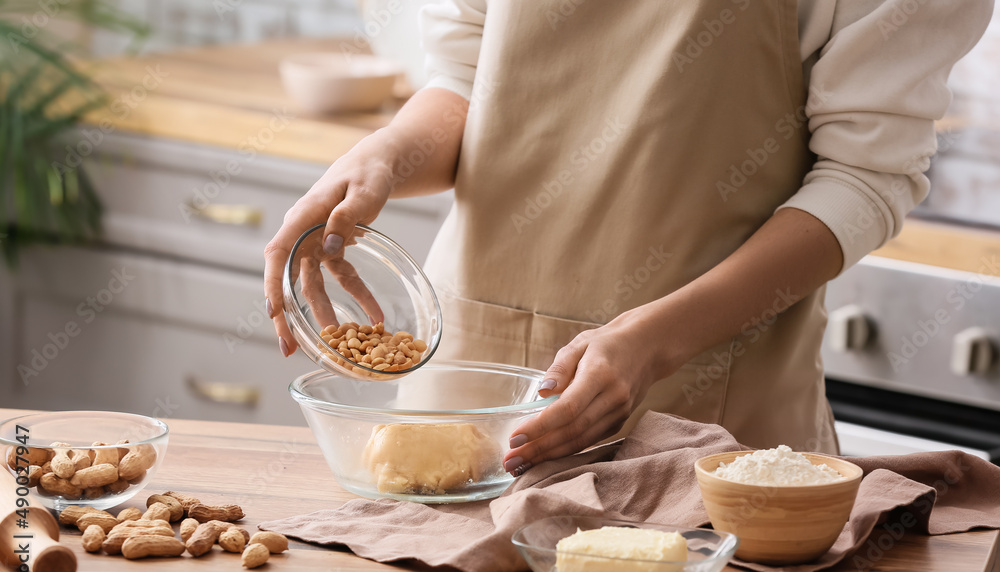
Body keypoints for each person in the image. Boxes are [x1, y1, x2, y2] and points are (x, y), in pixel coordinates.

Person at [265, 0, 992, 477]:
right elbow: (469, 80)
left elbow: (864, 178)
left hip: (706, 424)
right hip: (463, 400)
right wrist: (383, 156)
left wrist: (652, 341)